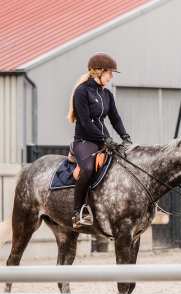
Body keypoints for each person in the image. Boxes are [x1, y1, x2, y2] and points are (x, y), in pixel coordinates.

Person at [66, 52, 132, 228]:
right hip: (84, 141)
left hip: (104, 141)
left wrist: (125, 136)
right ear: (98, 72)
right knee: (87, 169)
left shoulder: (107, 95)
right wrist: (104, 139)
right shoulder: (81, 92)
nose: (111, 77)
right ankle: (77, 212)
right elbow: (86, 123)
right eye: (109, 73)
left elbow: (115, 119)